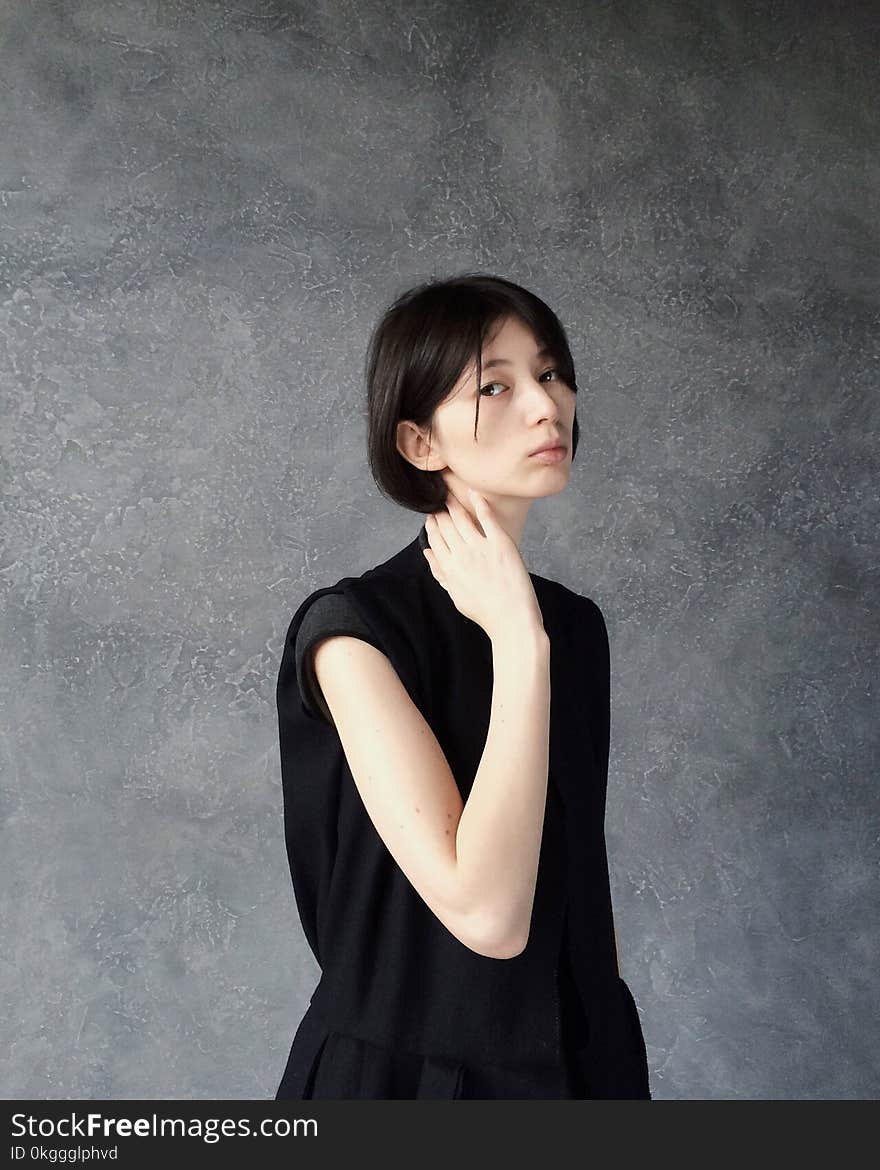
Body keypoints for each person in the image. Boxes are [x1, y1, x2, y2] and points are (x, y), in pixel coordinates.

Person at [274, 273, 651, 1099]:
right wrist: (517, 639)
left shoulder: (574, 629)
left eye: (550, 374)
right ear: (419, 444)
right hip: (406, 1083)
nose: (547, 407)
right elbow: (488, 917)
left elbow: (574, 895)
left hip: (585, 1070)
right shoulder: (351, 632)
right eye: (495, 386)